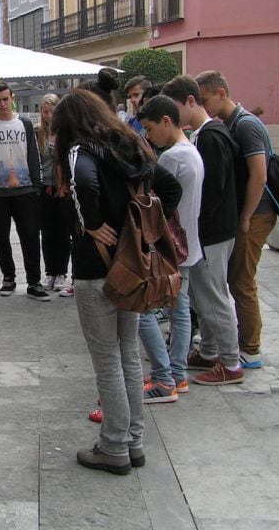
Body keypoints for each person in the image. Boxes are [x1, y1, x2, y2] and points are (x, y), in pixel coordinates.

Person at [51, 89, 181, 475]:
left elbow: (85, 184)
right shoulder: (131, 143)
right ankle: (133, 442)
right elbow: (170, 188)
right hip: (131, 264)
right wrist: (141, 228)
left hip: (97, 268)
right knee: (126, 354)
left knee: (107, 360)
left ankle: (113, 447)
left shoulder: (82, 150)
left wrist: (92, 224)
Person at [161, 75, 244, 386]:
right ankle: (209, 351)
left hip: (213, 234)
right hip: (210, 233)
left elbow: (213, 190)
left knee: (214, 296)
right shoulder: (205, 135)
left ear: (191, 102)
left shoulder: (210, 136)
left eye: (175, 108)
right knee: (204, 296)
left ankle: (231, 362)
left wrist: (197, 227)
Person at [195, 71, 275, 369]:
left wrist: (245, 217)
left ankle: (250, 350)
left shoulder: (246, 125)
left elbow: (259, 175)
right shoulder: (228, 124)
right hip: (247, 212)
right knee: (232, 281)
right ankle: (225, 345)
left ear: (221, 93)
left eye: (205, 99)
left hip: (257, 212)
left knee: (242, 282)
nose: (204, 106)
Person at [136, 95, 205, 402]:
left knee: (147, 310)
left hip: (172, 246)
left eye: (150, 129)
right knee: (180, 308)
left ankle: (166, 376)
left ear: (166, 121)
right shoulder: (191, 150)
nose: (148, 136)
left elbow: (159, 202)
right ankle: (176, 374)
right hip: (188, 244)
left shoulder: (172, 158)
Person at [0, 81, 49, 301]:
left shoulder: (25, 124)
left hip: (25, 190)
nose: (2, 104)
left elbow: (33, 155)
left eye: (5, 99)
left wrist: (36, 187)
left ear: (12, 97)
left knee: (30, 237)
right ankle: (9, 277)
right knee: (1, 239)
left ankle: (34, 281)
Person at [36, 93, 71, 293]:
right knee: (47, 232)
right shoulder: (38, 134)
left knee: (63, 232)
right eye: (45, 111)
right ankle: (50, 271)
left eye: (52, 111)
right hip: (44, 187)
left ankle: (61, 273)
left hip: (62, 187)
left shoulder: (65, 133)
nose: (49, 115)